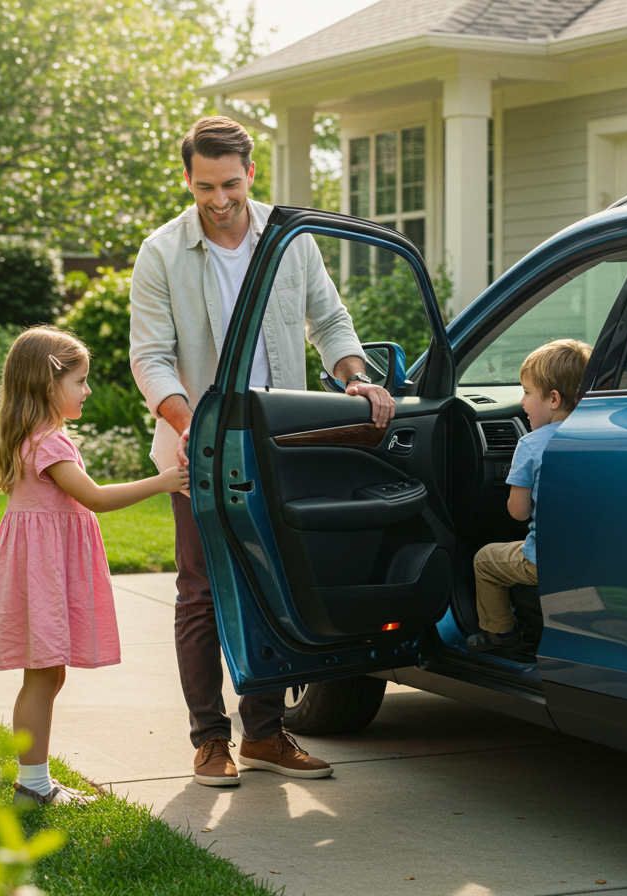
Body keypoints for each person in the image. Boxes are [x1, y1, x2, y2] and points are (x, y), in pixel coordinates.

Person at [129, 115, 396, 787]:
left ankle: (267, 734)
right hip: (201, 445)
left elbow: (329, 320)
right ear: (187, 179)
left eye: (228, 184)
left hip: (278, 439)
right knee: (202, 590)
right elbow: (150, 357)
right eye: (202, 186)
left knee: (271, 579)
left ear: (251, 173)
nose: (217, 200)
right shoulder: (161, 252)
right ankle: (209, 739)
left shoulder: (289, 240)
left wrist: (356, 376)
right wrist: (192, 423)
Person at [0, 325, 188, 806]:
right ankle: (31, 787)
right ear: (47, 384)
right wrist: (162, 482)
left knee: (48, 674)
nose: (88, 389)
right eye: (79, 380)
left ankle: (34, 782)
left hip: (39, 568)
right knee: (42, 675)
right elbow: (94, 497)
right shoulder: (48, 443)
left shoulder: (33, 438)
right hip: (42, 572)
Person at [467, 338, 592, 652]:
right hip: (589, 554)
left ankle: (501, 635)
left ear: (552, 398)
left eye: (526, 392)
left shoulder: (531, 445)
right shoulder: (596, 437)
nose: (521, 401)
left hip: (544, 559)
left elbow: (519, 512)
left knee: (485, 560)